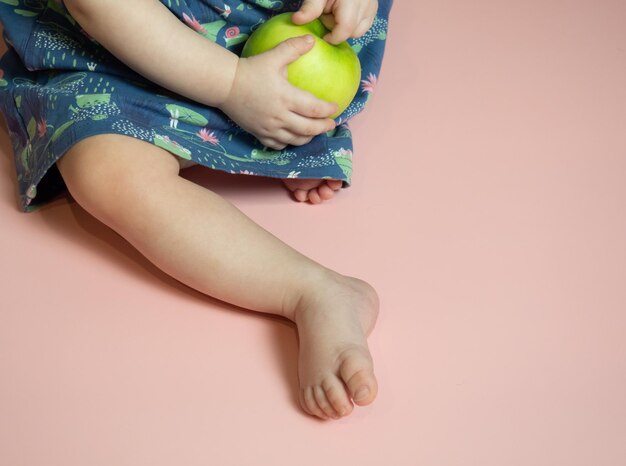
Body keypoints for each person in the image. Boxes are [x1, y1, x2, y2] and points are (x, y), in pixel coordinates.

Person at [0, 0, 392, 420]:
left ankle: (286, 121)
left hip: (273, 25)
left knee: (318, 39)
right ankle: (311, 290)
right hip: (124, 46)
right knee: (108, 174)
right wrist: (232, 84)